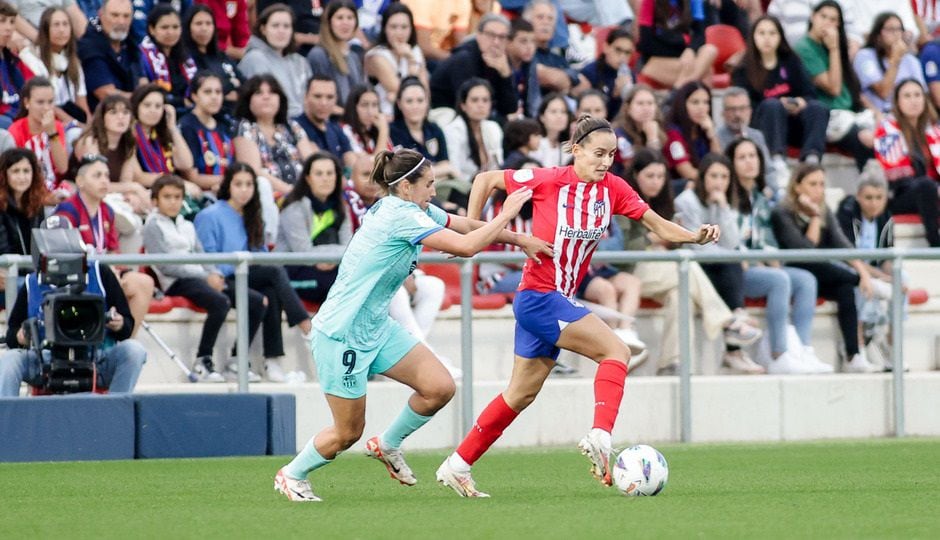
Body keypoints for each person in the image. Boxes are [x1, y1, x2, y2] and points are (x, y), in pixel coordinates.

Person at [435, 115, 723, 498]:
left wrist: (692, 236)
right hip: (539, 296)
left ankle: (457, 465)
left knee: (520, 394)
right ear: (576, 150)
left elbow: (657, 224)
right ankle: (601, 435)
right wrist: (477, 229)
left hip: (555, 299)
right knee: (616, 350)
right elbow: (484, 180)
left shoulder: (614, 189)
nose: (605, 162)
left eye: (612, 155)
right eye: (598, 154)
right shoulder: (548, 179)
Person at [273, 147, 549, 502]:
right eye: (429, 184)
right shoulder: (400, 217)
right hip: (341, 333)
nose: (434, 191)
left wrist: (519, 238)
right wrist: (508, 213)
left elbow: (463, 224)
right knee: (346, 432)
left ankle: (387, 444)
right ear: (406, 187)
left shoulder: (411, 208)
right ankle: (292, 474)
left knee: (439, 387)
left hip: (375, 325)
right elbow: (465, 247)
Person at [606, 148, 762, 376]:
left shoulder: (666, 202)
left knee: (682, 293)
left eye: (660, 176)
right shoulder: (623, 198)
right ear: (636, 175)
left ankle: (671, 363)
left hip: (658, 269)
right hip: (629, 268)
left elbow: (725, 244)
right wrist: (655, 238)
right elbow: (626, 247)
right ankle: (727, 322)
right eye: (650, 176)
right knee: (684, 269)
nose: (656, 182)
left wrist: (669, 240)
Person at [195, 162, 313, 382]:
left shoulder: (253, 215)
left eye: (249, 184)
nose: (244, 189)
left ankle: (269, 362)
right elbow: (205, 256)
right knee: (275, 274)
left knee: (271, 287)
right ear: (228, 185)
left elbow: (259, 255)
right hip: (222, 277)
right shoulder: (210, 215)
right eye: (238, 184)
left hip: (246, 274)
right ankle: (306, 326)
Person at [0, 219, 146, 397]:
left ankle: (117, 406)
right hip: (46, 358)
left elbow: (127, 327)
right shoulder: (32, 283)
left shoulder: (100, 273)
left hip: (94, 356)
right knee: (10, 358)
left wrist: (119, 323)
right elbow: (12, 334)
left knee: (134, 350)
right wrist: (21, 336)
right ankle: (6, 418)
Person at [724, 137, 827, 374]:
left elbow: (768, 243)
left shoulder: (760, 198)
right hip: (739, 272)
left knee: (804, 279)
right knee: (779, 280)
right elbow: (732, 242)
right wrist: (769, 268)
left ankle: (802, 349)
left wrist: (775, 265)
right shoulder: (728, 198)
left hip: (760, 267)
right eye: (742, 157)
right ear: (732, 164)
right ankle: (779, 354)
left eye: (753, 156)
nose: (749, 162)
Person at [770, 163, 881, 373]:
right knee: (821, 266)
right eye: (812, 184)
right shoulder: (782, 212)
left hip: (823, 274)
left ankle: (853, 355)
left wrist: (863, 272)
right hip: (796, 270)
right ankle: (872, 286)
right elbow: (805, 251)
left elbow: (843, 244)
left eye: (822, 184)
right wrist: (814, 217)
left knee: (845, 290)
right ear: (797, 187)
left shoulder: (824, 210)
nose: (819, 190)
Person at [142, 174, 252, 382]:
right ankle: (203, 360)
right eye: (167, 197)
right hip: (176, 282)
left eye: (177, 197)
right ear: (155, 200)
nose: (173, 202)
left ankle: (238, 361)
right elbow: (166, 266)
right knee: (221, 302)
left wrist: (214, 273)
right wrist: (205, 275)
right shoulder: (153, 225)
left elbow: (202, 255)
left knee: (255, 301)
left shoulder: (187, 225)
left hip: (200, 278)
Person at [674, 154, 766, 374]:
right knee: (730, 263)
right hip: (691, 264)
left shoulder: (725, 200)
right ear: (702, 177)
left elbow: (733, 241)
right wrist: (731, 254)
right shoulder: (686, 201)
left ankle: (735, 333)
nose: (719, 182)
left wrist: (724, 207)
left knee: (730, 263)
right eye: (714, 176)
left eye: (724, 177)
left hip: (716, 264)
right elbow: (697, 246)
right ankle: (736, 332)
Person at [54, 154, 155, 337]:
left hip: (105, 273)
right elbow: (64, 254)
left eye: (107, 176)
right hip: (78, 278)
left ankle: (127, 340)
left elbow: (113, 249)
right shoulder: (67, 210)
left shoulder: (107, 210)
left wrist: (116, 270)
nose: (104, 181)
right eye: (97, 175)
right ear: (80, 181)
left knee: (144, 283)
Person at [732, 15, 828, 168]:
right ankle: (776, 162)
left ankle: (812, 159)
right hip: (763, 127)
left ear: (780, 37)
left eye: (772, 33)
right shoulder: (743, 69)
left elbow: (810, 94)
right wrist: (779, 104)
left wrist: (800, 102)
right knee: (772, 106)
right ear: (753, 37)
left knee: (818, 108)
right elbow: (745, 108)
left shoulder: (792, 61)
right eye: (761, 33)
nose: (767, 38)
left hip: (794, 124)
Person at [793, 0, 875, 172]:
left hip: (851, 113)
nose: (827, 23)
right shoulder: (804, 48)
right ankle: (868, 190)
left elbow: (852, 89)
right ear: (812, 17)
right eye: (823, 16)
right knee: (864, 140)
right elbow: (834, 88)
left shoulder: (836, 46)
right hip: (829, 117)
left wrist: (878, 113)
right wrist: (834, 49)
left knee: (887, 135)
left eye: (833, 19)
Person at [836, 170, 904, 369]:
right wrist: (881, 276)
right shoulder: (846, 212)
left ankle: (892, 348)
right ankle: (858, 348)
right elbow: (849, 256)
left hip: (874, 270)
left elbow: (886, 258)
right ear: (858, 196)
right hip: (850, 267)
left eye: (878, 198)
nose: (874, 203)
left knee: (903, 279)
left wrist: (894, 275)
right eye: (868, 198)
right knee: (863, 284)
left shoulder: (886, 217)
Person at [274, 152, 350, 303]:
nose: (325, 178)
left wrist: (332, 259)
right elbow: (304, 253)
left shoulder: (341, 207)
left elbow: (351, 248)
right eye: (319, 174)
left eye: (330, 173)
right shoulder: (294, 207)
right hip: (294, 271)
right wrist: (334, 257)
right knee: (340, 286)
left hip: (332, 267)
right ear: (308, 178)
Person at [873, 78, 940, 247]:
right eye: (907, 96)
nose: (914, 101)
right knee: (926, 186)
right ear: (898, 101)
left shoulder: (934, 131)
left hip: (933, 193)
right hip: (901, 196)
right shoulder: (887, 130)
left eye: (918, 95)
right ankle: (935, 243)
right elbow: (897, 179)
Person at [428, 13, 519, 119]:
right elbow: (467, 104)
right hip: (446, 114)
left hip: (476, 116)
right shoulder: (464, 58)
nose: (496, 42)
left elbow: (510, 108)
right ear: (478, 35)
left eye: (502, 37)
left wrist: (506, 75)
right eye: (490, 35)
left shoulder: (501, 59)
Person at [71, 94, 148, 214]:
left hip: (110, 195)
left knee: (140, 204)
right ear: (102, 117)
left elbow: (125, 182)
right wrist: (134, 187)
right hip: (80, 195)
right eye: (113, 112)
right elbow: (93, 184)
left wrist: (130, 195)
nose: (121, 117)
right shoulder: (90, 141)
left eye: (126, 112)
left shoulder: (129, 144)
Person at [18, 7, 91, 131]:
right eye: (56, 25)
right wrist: (75, 124)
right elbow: (46, 103)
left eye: (65, 24)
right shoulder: (32, 58)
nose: (61, 30)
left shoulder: (73, 62)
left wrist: (90, 128)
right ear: (45, 30)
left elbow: (82, 103)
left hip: (71, 121)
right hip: (45, 122)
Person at [238, 3, 313, 118]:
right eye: (275, 26)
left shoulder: (301, 61)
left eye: (286, 26)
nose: (281, 31)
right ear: (263, 29)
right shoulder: (255, 59)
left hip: (304, 125)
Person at [442, 78, 503, 207]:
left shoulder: (493, 128)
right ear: (463, 105)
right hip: (462, 190)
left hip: (489, 189)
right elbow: (454, 170)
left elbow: (498, 166)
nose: (480, 105)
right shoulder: (454, 130)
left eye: (485, 100)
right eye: (475, 100)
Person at [0, 149, 48, 308]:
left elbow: (42, 246)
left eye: (26, 171)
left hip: (30, 275)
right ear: (4, 174)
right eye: (15, 171)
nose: (22, 177)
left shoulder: (36, 205)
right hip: (6, 276)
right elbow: (3, 249)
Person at [364, 3, 429, 116]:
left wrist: (410, 57)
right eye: (393, 27)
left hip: (413, 117)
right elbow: (407, 95)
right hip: (384, 116)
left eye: (404, 27)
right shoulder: (376, 56)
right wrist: (411, 62)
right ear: (384, 29)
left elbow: (425, 94)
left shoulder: (415, 51)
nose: (399, 33)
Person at [853, 12, 926, 114]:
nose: (896, 34)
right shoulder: (865, 56)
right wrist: (895, 59)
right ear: (878, 34)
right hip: (881, 115)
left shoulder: (911, 60)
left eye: (899, 29)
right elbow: (884, 92)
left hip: (910, 116)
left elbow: (922, 95)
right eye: (890, 29)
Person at [635, 0, 717, 89]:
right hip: (656, 58)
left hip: (685, 57)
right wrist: (683, 44)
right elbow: (646, 42)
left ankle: (678, 90)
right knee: (706, 71)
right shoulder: (649, 1)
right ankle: (684, 89)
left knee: (710, 50)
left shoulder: (694, 1)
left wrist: (690, 50)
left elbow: (700, 35)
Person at [717, 87, 783, 196]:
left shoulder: (756, 136)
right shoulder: (716, 138)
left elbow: (769, 170)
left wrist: (770, 189)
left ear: (750, 111)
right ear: (723, 113)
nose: (737, 114)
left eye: (742, 109)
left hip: (761, 193)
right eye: (732, 109)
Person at [7, 77, 68, 192]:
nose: (46, 108)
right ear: (27, 103)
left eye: (50, 102)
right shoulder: (15, 131)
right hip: (29, 192)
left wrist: (52, 133)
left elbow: (62, 168)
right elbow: (16, 179)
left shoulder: (56, 127)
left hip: (56, 189)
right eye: (40, 102)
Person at [388, 76, 455, 180]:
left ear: (427, 102)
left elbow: (445, 164)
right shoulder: (391, 132)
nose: (415, 106)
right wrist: (440, 170)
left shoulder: (434, 129)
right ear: (399, 104)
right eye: (409, 101)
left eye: (420, 100)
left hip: (438, 185)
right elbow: (405, 173)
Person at [179, 71, 234, 195]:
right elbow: (192, 177)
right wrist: (232, 182)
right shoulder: (187, 126)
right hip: (202, 194)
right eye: (207, 92)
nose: (214, 97)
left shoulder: (224, 124)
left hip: (228, 188)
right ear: (194, 96)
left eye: (218, 92)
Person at [182, 4, 243, 116]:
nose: (204, 28)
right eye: (198, 23)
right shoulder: (185, 58)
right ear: (188, 27)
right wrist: (231, 84)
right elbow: (201, 88)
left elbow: (246, 85)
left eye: (208, 23)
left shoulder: (221, 56)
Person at [78, 0, 138, 112]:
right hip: (103, 116)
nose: (121, 21)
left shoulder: (130, 41)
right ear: (101, 14)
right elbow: (106, 93)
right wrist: (143, 100)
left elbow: (142, 79)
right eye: (115, 15)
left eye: (126, 16)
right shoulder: (90, 45)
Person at [137, 5, 198, 113]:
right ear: (152, 29)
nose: (170, 32)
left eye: (175, 27)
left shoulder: (186, 56)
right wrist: (182, 102)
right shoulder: (141, 56)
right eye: (164, 27)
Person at [306, 0, 364, 109]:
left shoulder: (354, 57)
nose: (345, 23)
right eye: (340, 18)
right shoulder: (319, 55)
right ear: (329, 22)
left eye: (350, 18)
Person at [523, 0, 589, 96]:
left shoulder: (558, 58)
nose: (546, 22)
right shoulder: (525, 53)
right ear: (527, 22)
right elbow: (551, 79)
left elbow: (585, 86)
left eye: (550, 19)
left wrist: (564, 81)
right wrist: (571, 82)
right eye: (540, 17)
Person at [663, 81, 721, 185]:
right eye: (695, 102)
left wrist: (712, 135)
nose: (701, 108)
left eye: (706, 102)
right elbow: (686, 171)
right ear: (682, 105)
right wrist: (714, 181)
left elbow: (718, 162)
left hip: (704, 184)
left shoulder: (703, 130)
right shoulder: (673, 133)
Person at [293, 75, 354, 166]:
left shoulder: (335, 127)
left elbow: (352, 162)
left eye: (329, 97)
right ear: (306, 97)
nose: (324, 103)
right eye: (317, 96)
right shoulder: (294, 127)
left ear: (336, 99)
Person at [579, 27, 635, 120]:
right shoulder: (590, 72)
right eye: (618, 50)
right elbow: (587, 112)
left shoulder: (629, 75)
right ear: (606, 47)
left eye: (627, 52)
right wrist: (615, 96)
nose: (622, 57)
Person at [611, 84, 666, 175]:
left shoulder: (659, 129)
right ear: (628, 108)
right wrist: (652, 139)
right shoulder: (619, 135)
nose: (646, 108)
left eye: (650, 103)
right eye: (640, 103)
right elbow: (636, 171)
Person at [401, 0, 470, 63]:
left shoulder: (462, 2)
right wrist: (455, 59)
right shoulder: (422, 2)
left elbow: (461, 43)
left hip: (439, 54)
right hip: (411, 55)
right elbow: (423, 47)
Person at [0, 2, 30, 129]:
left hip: (21, 116)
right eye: (2, 21)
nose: (8, 28)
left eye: (12, 22)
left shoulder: (14, 60)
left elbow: (33, 88)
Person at [341, 85, 391, 155]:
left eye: (374, 105)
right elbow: (374, 164)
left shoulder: (377, 128)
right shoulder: (345, 130)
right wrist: (383, 131)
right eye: (364, 105)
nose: (370, 112)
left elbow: (392, 160)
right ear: (353, 107)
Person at [530, 92, 573, 169]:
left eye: (563, 112)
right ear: (542, 116)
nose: (559, 116)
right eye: (553, 111)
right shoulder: (535, 143)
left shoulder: (567, 147)